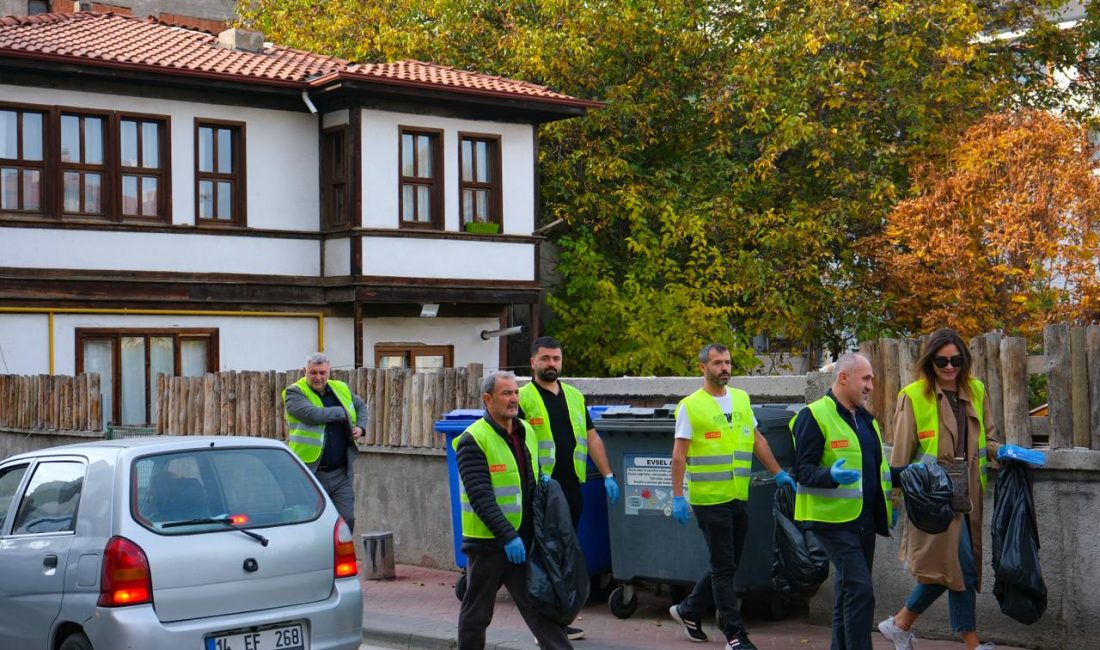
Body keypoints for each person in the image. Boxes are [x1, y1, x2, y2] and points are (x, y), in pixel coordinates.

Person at [878, 327, 1029, 650]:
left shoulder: (975, 389)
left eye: (956, 361)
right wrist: (894, 501)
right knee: (958, 569)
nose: (949, 368)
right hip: (933, 498)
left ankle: (900, 624)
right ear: (929, 362)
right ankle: (971, 643)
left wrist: (1000, 450)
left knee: (950, 570)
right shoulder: (914, 396)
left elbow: (987, 437)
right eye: (941, 361)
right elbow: (902, 456)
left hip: (969, 494)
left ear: (965, 361)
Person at [669, 343, 796, 650]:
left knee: (726, 563)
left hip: (737, 496)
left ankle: (687, 610)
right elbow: (679, 456)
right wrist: (676, 496)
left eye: (727, 362)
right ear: (703, 368)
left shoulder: (741, 399)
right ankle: (735, 635)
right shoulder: (691, 406)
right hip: (709, 499)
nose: (724, 368)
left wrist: (779, 472)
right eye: (717, 363)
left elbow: (756, 439)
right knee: (725, 567)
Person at [454, 371, 573, 650]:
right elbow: (481, 497)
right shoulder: (473, 439)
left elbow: (531, 479)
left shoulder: (525, 430)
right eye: (506, 393)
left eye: (515, 393)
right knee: (477, 613)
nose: (514, 399)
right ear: (488, 399)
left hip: (525, 540)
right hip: (489, 545)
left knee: (541, 609)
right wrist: (508, 537)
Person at [792, 352, 900, 650]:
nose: (871, 386)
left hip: (863, 521)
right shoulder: (813, 416)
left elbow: (877, 471)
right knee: (860, 590)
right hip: (830, 520)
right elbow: (803, 471)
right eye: (865, 378)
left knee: (848, 590)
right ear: (843, 377)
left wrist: (908, 478)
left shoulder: (867, 421)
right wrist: (831, 475)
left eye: (872, 380)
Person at [518, 336, 621, 641]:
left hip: (571, 488)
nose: (552, 364)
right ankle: (545, 627)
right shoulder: (523, 397)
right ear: (533, 362)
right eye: (546, 358)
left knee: (564, 555)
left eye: (556, 359)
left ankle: (558, 621)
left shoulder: (575, 396)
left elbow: (592, 437)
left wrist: (608, 474)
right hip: (543, 490)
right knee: (545, 557)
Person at [282, 352, 366, 532]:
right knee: (312, 521)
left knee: (346, 519)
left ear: (329, 372)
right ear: (304, 371)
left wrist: (361, 427)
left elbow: (360, 406)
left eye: (322, 372)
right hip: (310, 471)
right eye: (313, 372)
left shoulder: (340, 387)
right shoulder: (294, 392)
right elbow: (312, 415)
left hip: (341, 473)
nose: (318, 377)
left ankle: (341, 559)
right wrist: (342, 413)